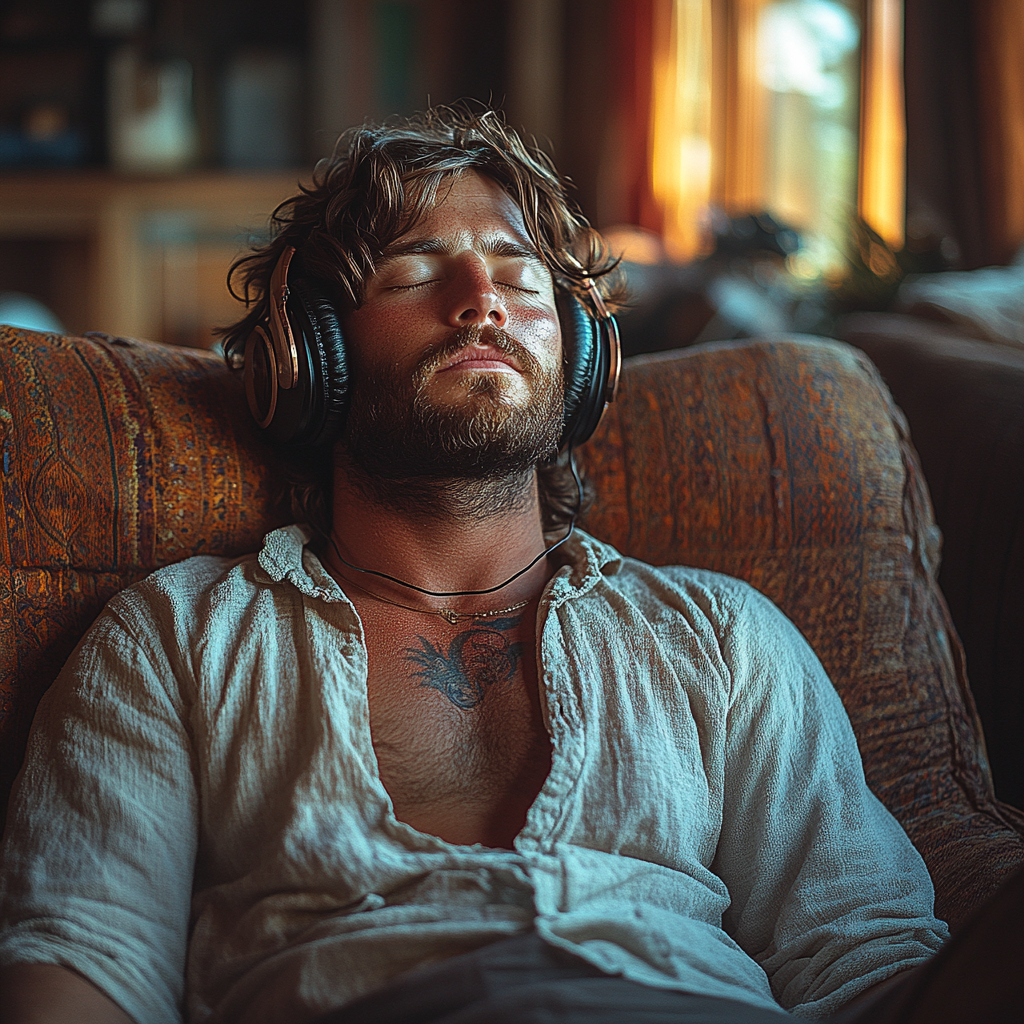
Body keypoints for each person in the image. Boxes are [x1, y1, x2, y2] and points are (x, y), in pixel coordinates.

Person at [0, 106, 1016, 1024]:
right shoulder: (177, 639)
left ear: (581, 357)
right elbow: (82, 963)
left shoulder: (724, 640)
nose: (481, 297)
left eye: (521, 274)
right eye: (412, 270)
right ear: (308, 359)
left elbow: (866, 960)